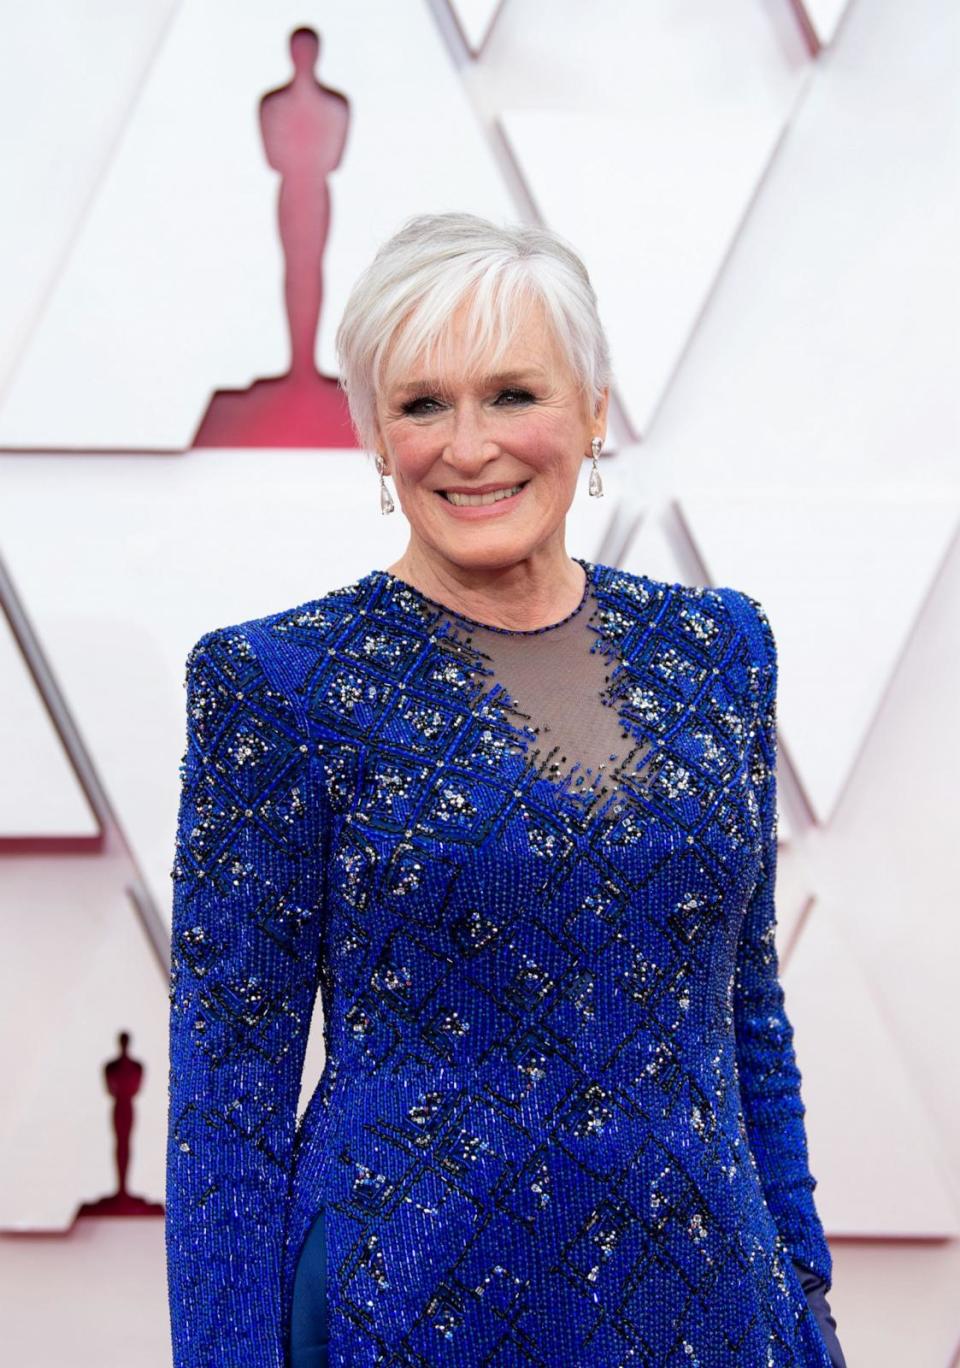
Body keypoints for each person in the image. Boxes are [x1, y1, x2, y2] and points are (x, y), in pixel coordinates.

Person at [165, 212, 846, 1367]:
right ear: (378, 440)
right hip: (409, 1312)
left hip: (715, 1312)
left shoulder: (720, 651)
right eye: (422, 404)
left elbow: (745, 1016)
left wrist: (807, 1292)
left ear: (592, 409)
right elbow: (227, 1096)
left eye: (514, 394)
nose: (469, 446)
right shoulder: (276, 685)